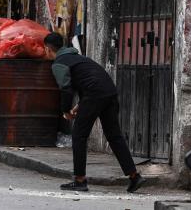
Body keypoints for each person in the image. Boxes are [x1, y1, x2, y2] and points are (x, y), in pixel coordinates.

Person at [43, 32, 145, 193]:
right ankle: (134, 176)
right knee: (114, 136)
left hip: (94, 96)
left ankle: (80, 180)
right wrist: (79, 106)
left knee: (78, 135)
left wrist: (66, 111)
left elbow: (66, 89)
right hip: (109, 92)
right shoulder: (79, 58)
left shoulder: (59, 63)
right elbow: (89, 81)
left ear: (48, 49)